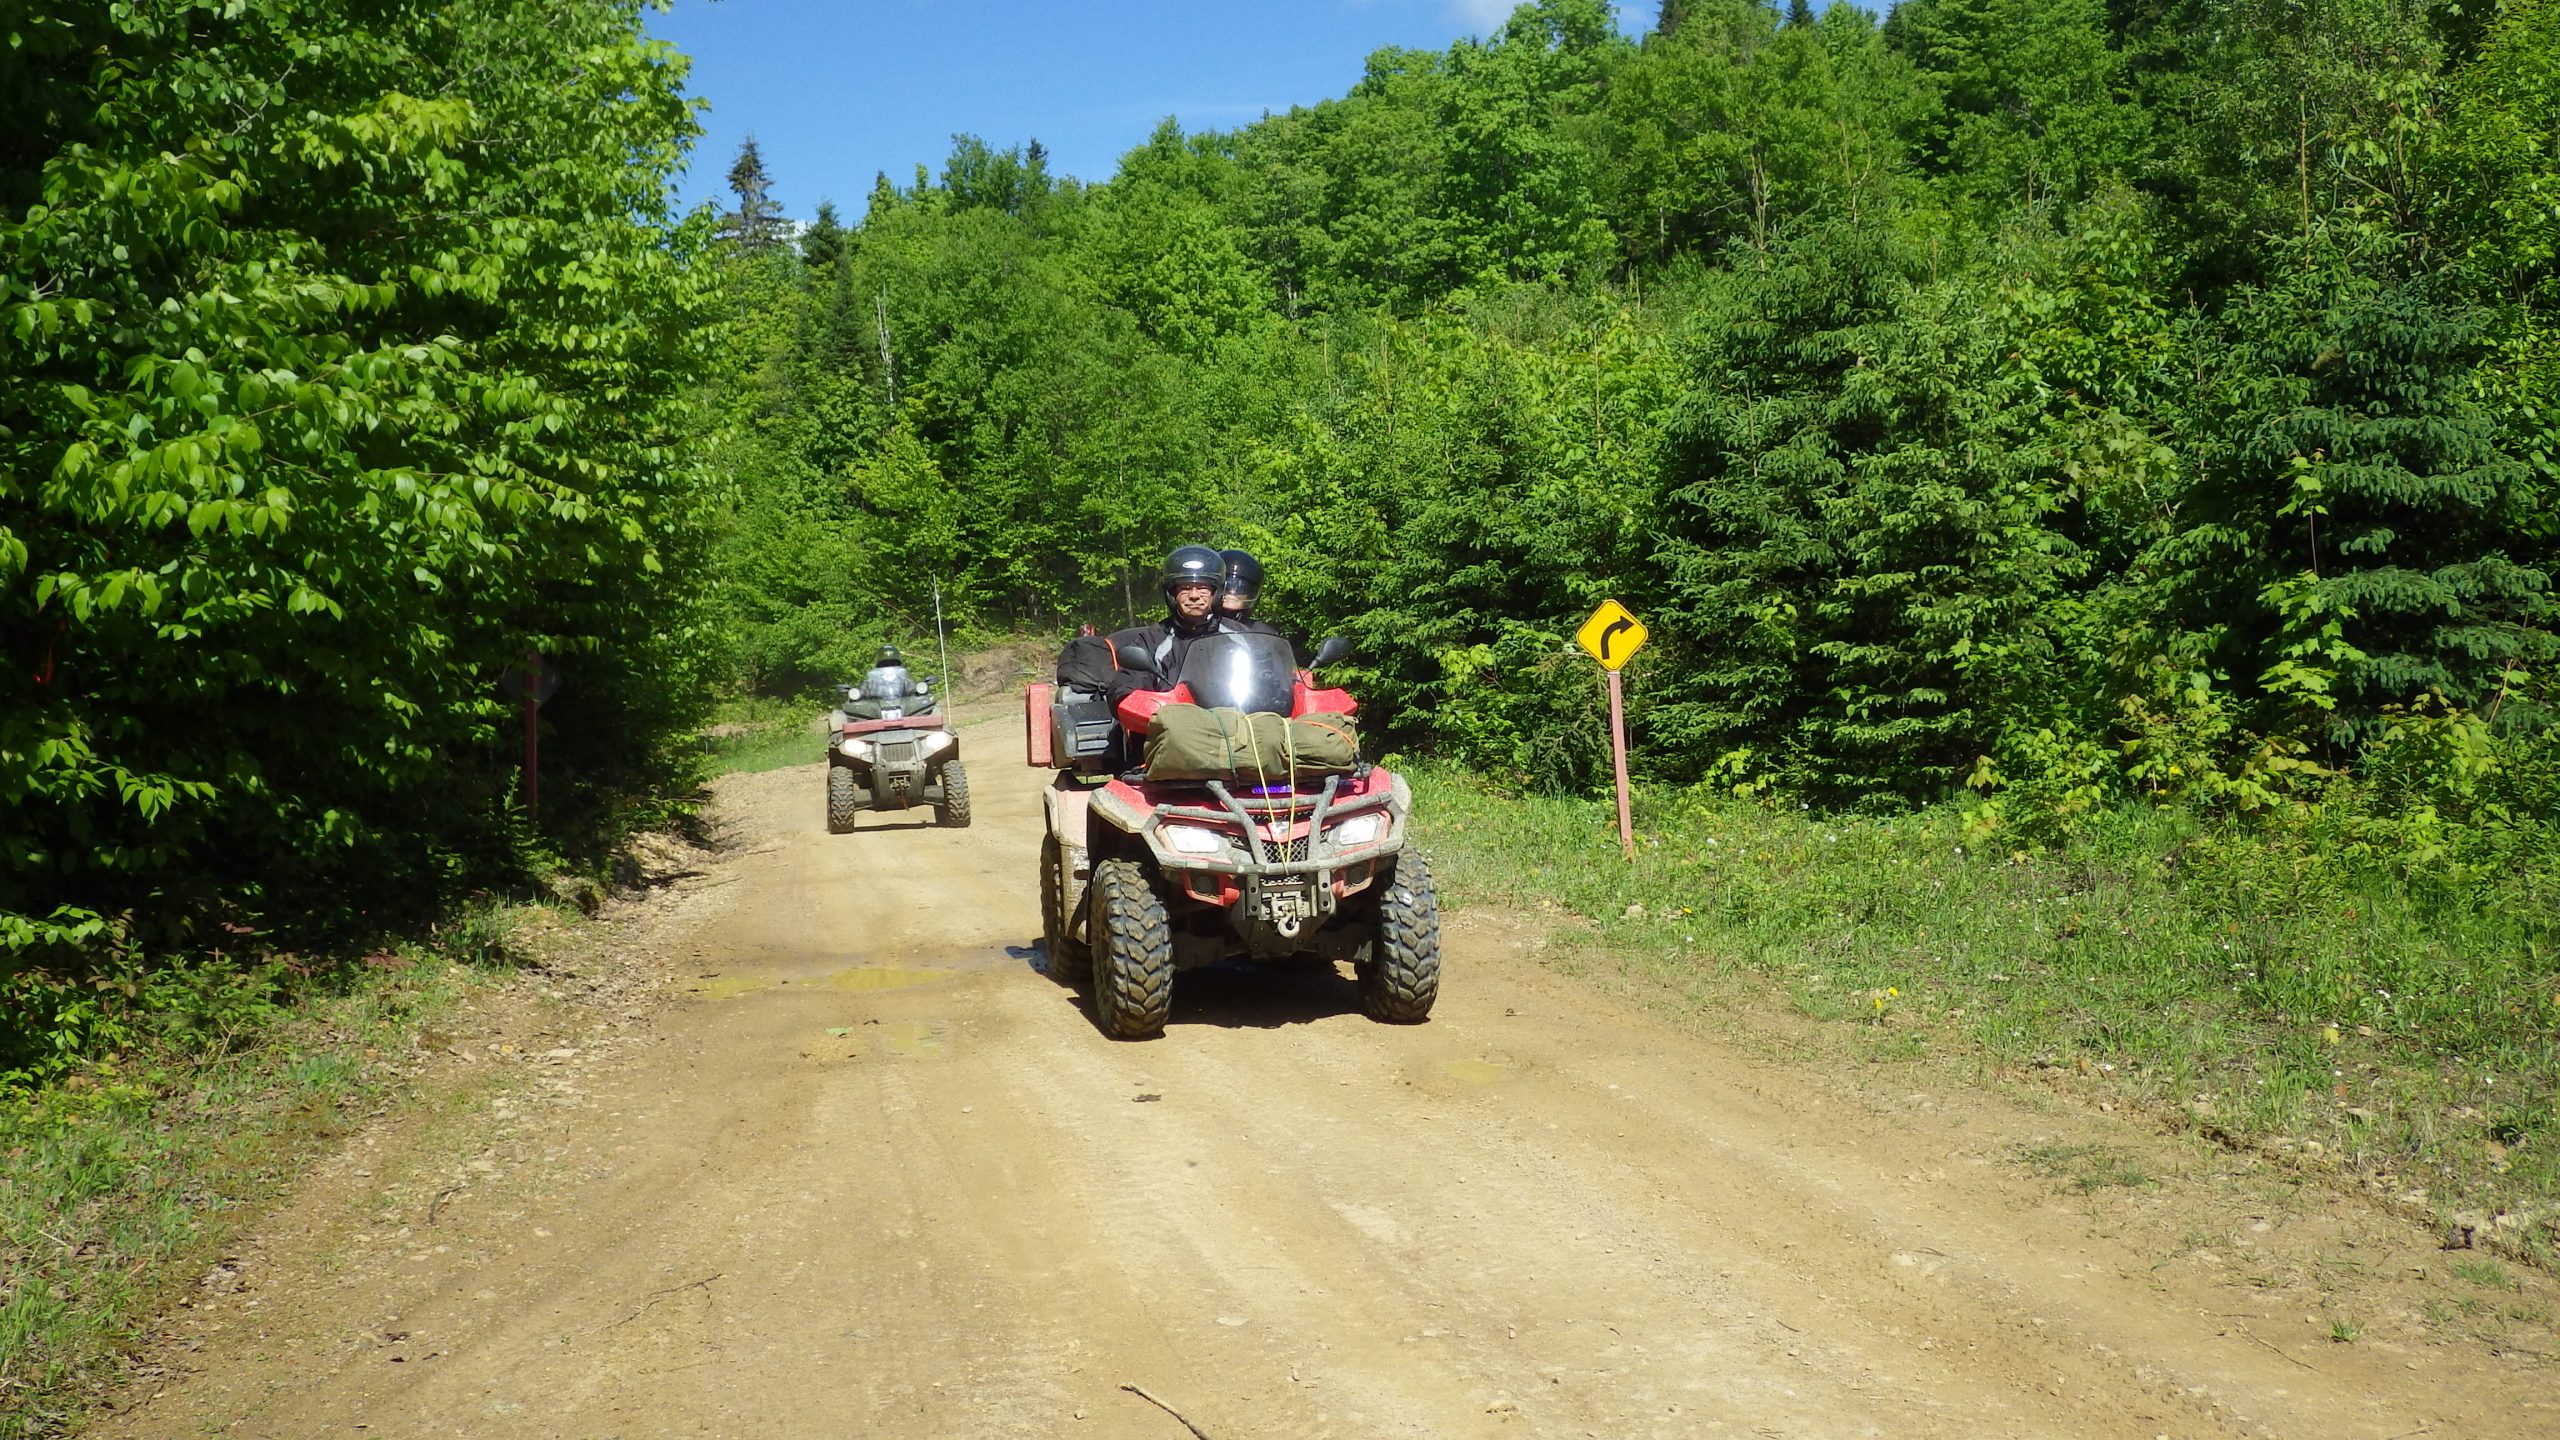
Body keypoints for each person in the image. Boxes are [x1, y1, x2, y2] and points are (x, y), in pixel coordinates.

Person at [1107, 545, 1242, 701]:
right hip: (1173, 721)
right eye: (1185, 588)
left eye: (1202, 587)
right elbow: (1124, 688)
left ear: (1216, 592)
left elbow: (1270, 683)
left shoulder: (1239, 635)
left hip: (1233, 721)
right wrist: (1144, 706)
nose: (1194, 595)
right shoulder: (1153, 639)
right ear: (1172, 594)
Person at [1216, 549, 1281, 636]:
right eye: (1227, 586)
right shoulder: (1200, 627)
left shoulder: (1264, 634)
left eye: (1241, 588)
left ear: (1251, 594)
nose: (1232, 593)